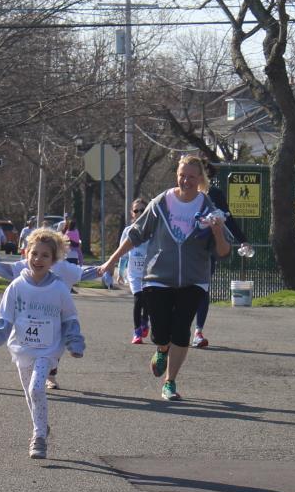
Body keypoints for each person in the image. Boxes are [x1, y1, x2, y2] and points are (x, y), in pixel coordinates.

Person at [100, 155, 233, 402]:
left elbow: (224, 252)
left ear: (200, 179)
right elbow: (136, 234)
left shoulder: (208, 208)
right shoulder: (161, 203)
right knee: (161, 332)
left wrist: (217, 232)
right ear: (176, 176)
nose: (186, 181)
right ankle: (162, 348)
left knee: (181, 331)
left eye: (191, 176)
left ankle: (170, 382)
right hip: (158, 276)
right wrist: (111, 261)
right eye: (182, 175)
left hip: (194, 279)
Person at [0, 228, 85, 461]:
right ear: (26, 254)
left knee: (37, 389)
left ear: (53, 260)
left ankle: (39, 437)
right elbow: (5, 318)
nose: (38, 259)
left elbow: (70, 319)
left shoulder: (59, 288)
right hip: (22, 348)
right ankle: (41, 424)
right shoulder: (17, 286)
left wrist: (74, 343)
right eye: (34, 253)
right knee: (30, 393)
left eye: (45, 255)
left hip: (48, 350)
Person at [190, 167, 245, 347]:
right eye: (183, 175)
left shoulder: (213, 194)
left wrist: (243, 240)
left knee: (202, 289)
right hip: (183, 250)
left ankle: (198, 332)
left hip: (207, 249)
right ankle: (176, 329)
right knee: (181, 290)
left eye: (194, 174)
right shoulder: (176, 196)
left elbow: (228, 219)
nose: (188, 179)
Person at [120, 197, 149, 342]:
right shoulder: (128, 231)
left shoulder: (151, 230)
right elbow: (123, 253)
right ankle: (137, 332)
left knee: (148, 300)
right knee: (138, 299)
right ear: (132, 213)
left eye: (142, 210)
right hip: (134, 274)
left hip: (149, 274)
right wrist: (120, 272)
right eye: (136, 210)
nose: (139, 213)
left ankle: (145, 320)